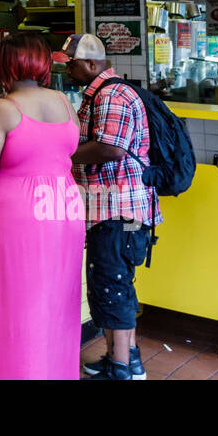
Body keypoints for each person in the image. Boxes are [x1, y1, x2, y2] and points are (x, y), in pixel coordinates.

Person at [0, 32, 84, 379]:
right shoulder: (64, 103)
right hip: (62, 210)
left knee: (14, 307)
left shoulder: (2, 109)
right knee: (55, 305)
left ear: (5, 65)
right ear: (42, 65)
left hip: (20, 220)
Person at [58, 32, 161, 381]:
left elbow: (110, 148)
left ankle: (120, 369)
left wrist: (61, 155)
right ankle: (126, 360)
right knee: (116, 285)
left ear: (90, 63)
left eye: (71, 64)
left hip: (119, 210)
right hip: (112, 208)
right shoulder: (99, 94)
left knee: (112, 287)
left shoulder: (113, 95)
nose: (68, 71)